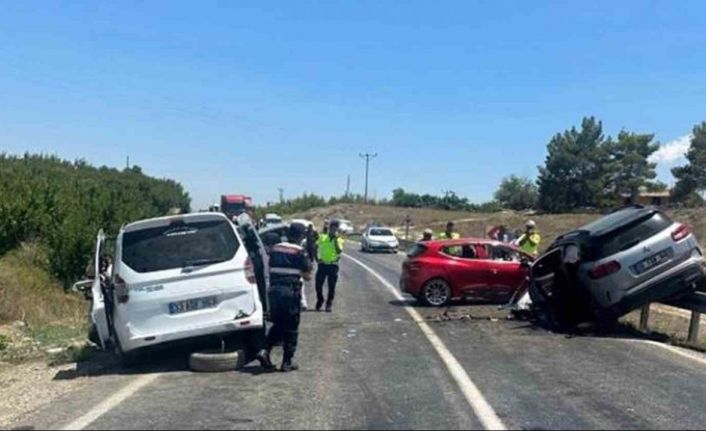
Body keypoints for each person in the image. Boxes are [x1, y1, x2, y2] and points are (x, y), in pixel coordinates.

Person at [257, 223, 313, 372]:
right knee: (291, 327)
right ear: (300, 236)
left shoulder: (275, 248)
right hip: (290, 293)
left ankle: (265, 350)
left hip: (274, 292)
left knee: (279, 324)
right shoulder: (299, 251)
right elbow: (307, 276)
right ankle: (287, 361)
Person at [315, 219, 345, 312]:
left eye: (335, 228)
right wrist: (317, 258)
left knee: (331, 286)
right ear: (330, 228)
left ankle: (329, 304)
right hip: (322, 265)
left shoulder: (339, 239)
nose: (333, 229)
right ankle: (320, 299)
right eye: (332, 227)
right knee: (318, 285)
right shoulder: (323, 237)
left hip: (333, 266)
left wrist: (335, 239)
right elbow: (315, 246)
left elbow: (339, 251)